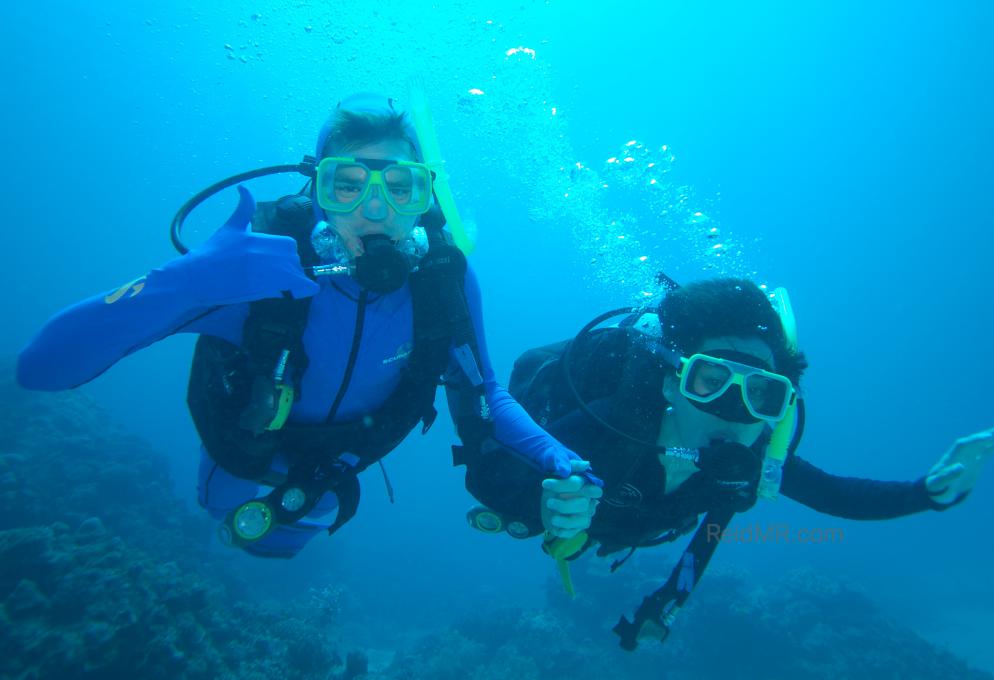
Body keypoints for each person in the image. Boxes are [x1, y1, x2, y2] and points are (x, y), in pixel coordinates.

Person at [16, 90, 584, 558]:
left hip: (332, 481)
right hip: (241, 465)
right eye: (347, 183)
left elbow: (485, 394)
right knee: (225, 521)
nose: (376, 208)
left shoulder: (441, 282)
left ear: (423, 197)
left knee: (289, 546)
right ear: (315, 190)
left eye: (400, 186)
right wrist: (185, 282)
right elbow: (40, 368)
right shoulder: (257, 270)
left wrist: (563, 462)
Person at [460, 277, 994, 648]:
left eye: (763, 396)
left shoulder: (749, 458)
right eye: (712, 381)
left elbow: (836, 495)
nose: (734, 411)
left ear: (778, 409)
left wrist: (930, 491)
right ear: (673, 381)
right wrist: (541, 503)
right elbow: (497, 475)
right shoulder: (606, 427)